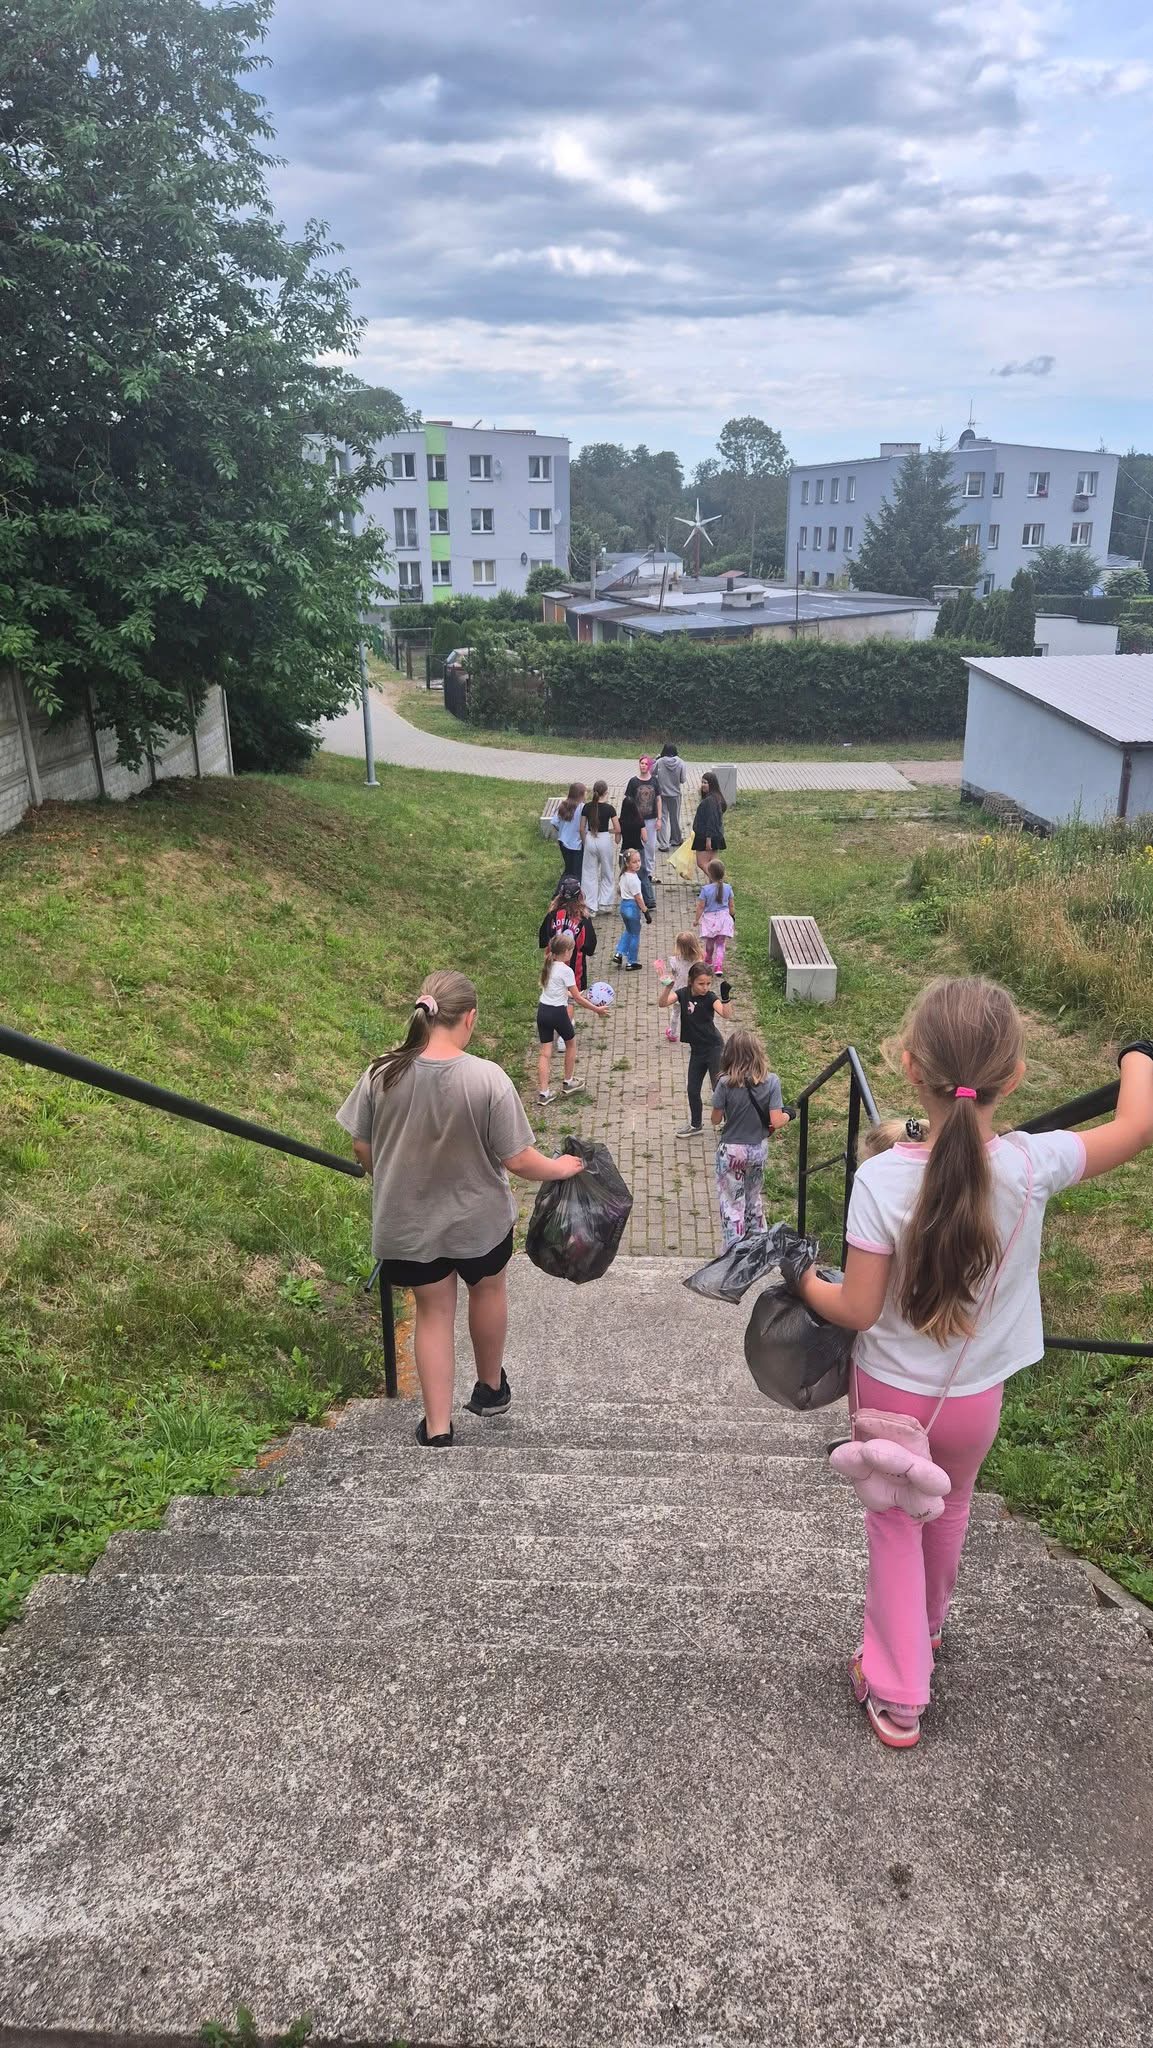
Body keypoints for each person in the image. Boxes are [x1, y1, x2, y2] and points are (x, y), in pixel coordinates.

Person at [788, 976, 1153, 1750]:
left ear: (908, 1065)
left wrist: (801, 1281)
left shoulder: (880, 1179)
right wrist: (1136, 1054)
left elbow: (856, 1308)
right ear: (1012, 1077)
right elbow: (1134, 1126)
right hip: (974, 1397)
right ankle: (926, 1629)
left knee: (893, 1523)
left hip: (890, 1392)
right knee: (947, 1507)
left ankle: (897, 1693)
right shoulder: (1033, 1163)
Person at [337, 971, 585, 1449]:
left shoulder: (381, 1072)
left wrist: (383, 1172)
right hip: (479, 1223)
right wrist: (560, 1168)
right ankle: (490, 1388)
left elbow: (362, 1146)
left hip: (409, 1226)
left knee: (432, 1314)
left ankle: (437, 1427)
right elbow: (518, 1159)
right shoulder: (487, 1078)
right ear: (469, 1018)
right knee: (487, 1291)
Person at [709, 1029, 790, 1247]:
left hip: (731, 1150)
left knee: (732, 1205)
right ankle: (759, 1246)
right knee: (753, 1201)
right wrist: (789, 1114)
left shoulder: (724, 1083)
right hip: (757, 1149)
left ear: (729, 1055)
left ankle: (735, 1252)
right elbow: (776, 1120)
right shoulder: (771, 1082)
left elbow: (715, 1120)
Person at [658, 959, 733, 1135]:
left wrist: (725, 998)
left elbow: (726, 1014)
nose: (705, 987)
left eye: (708, 983)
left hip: (714, 1048)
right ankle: (696, 1125)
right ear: (691, 981)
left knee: (718, 1087)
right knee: (692, 1089)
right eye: (701, 984)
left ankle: (729, 1122)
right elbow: (662, 1003)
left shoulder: (710, 997)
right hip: (697, 1050)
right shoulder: (683, 994)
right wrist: (668, 987)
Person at [537, 932, 608, 1103]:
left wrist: (573, 994)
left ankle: (544, 1093)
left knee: (545, 1053)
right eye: (571, 950)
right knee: (571, 1044)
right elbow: (577, 998)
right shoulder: (566, 970)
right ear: (566, 952)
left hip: (543, 1011)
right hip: (558, 1013)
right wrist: (597, 1009)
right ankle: (568, 1082)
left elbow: (558, 990)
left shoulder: (548, 965)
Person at [538, 878, 597, 991]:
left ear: (560, 895)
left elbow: (543, 940)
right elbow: (590, 948)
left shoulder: (552, 916)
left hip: (553, 969)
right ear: (580, 896)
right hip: (576, 972)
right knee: (572, 998)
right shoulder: (583, 920)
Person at [580, 779, 620, 913]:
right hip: (604, 839)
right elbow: (618, 828)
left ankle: (590, 906)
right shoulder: (610, 809)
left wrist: (585, 841)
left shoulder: (587, 807)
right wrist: (610, 832)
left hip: (590, 838)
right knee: (607, 871)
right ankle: (605, 903)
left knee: (589, 873)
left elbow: (581, 828)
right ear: (606, 792)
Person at [619, 777, 655, 912]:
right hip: (638, 849)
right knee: (643, 874)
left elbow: (617, 838)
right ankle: (649, 900)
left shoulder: (621, 820)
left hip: (625, 850)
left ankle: (628, 897)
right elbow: (645, 838)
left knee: (626, 874)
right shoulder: (639, 820)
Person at [695, 858, 736, 973]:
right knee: (720, 944)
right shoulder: (728, 888)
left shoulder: (705, 889)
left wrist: (696, 919)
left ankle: (708, 959)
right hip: (723, 919)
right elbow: (731, 905)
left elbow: (701, 906)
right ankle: (719, 966)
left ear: (710, 874)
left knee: (710, 942)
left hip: (710, 920)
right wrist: (732, 915)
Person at [663, 930, 702, 1042]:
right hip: (693, 992)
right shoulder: (698, 961)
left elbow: (674, 974)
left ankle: (673, 1033)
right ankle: (695, 1033)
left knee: (676, 1013)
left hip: (679, 992)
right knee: (694, 1014)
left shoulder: (675, 961)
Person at [615, 848, 649, 969]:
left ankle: (619, 952)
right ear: (627, 863)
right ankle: (632, 961)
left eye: (639, 861)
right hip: (632, 907)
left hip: (623, 906)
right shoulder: (634, 879)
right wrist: (645, 911)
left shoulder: (623, 875)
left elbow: (620, 891)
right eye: (634, 862)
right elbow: (638, 897)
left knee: (628, 931)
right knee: (635, 934)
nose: (638, 864)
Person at [691, 771, 728, 879]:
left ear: (712, 784)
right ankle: (714, 884)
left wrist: (708, 839)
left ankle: (718, 882)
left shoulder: (710, 801)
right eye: (702, 782)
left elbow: (711, 820)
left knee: (702, 863)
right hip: (715, 835)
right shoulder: (716, 798)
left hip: (706, 836)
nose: (703, 785)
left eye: (705, 782)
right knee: (712, 863)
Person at [634, 756, 662, 887]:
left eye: (645, 764)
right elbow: (629, 801)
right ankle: (636, 871)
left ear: (649, 766)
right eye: (641, 763)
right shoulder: (633, 782)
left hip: (651, 819)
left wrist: (659, 819)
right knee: (637, 846)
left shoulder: (654, 781)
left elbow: (658, 800)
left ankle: (649, 872)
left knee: (650, 846)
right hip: (636, 819)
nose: (643, 766)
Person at [654, 742, 687, 852]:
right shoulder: (681, 762)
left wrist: (656, 759)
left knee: (662, 818)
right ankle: (675, 840)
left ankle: (663, 844)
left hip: (662, 794)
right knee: (675, 818)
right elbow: (683, 780)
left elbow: (651, 772)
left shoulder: (660, 762)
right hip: (675, 795)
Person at [553, 782, 587, 884]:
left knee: (568, 868)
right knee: (576, 872)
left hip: (563, 842)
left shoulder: (563, 805)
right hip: (576, 844)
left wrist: (562, 831)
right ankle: (570, 889)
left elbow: (555, 822)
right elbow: (585, 828)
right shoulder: (582, 808)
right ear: (581, 794)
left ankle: (564, 888)